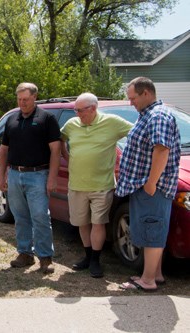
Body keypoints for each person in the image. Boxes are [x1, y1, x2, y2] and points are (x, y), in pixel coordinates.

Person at [118, 77, 180, 291]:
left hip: (153, 188)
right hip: (144, 186)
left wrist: (151, 183)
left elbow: (162, 149)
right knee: (151, 230)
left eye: (133, 98)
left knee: (152, 231)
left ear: (146, 94)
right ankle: (156, 274)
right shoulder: (148, 115)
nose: (131, 102)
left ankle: (147, 280)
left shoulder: (158, 116)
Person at [60, 93, 133, 278]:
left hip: (102, 185)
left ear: (93, 108)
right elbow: (59, 140)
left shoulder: (112, 123)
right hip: (76, 184)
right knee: (82, 223)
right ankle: (87, 255)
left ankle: (95, 261)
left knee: (98, 223)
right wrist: (67, 157)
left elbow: (137, 134)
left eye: (80, 110)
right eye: (75, 110)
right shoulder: (72, 125)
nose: (77, 114)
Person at [0, 82, 61, 274]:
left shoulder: (46, 118)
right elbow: (3, 151)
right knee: (20, 216)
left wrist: (52, 178)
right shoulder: (12, 120)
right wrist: (1, 177)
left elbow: (56, 150)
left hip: (38, 174)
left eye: (25, 99)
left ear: (35, 97)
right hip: (15, 174)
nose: (22, 103)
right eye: (19, 99)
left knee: (40, 216)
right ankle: (25, 253)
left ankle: (45, 257)